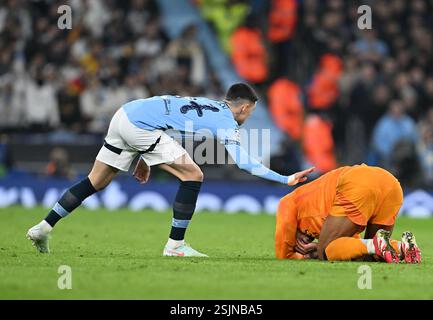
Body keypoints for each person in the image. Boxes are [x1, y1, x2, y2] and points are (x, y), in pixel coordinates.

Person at [27, 83, 314, 256]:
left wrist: (141, 154)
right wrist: (285, 178)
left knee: (96, 181)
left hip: (126, 113)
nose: (247, 118)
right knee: (194, 174)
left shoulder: (208, 104)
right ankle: (175, 245)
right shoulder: (226, 121)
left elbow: (166, 118)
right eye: (249, 112)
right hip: (139, 126)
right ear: (244, 107)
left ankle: (43, 227)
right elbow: (244, 163)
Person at [275, 164, 421, 263]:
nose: (303, 243)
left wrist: (317, 249)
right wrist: (316, 249)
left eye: (299, 241)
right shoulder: (320, 209)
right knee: (372, 255)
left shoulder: (288, 202)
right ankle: (404, 247)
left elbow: (284, 255)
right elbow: (351, 247)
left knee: (326, 251)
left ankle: (383, 245)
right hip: (391, 185)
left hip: (359, 182)